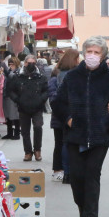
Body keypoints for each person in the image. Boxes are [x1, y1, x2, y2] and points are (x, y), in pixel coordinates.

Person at [54, 36, 109, 217]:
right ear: (83, 53)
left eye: (97, 53)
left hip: (99, 137)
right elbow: (57, 102)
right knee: (77, 177)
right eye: (90, 52)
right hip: (75, 136)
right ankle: (82, 207)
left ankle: (90, 216)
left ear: (103, 56)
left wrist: (107, 122)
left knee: (92, 174)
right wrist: (69, 119)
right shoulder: (71, 77)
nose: (93, 56)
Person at [48, 48, 79, 184]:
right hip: (70, 115)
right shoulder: (73, 75)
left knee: (59, 143)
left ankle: (59, 171)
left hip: (57, 115)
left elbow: (53, 97)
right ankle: (68, 172)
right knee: (68, 144)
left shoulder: (56, 74)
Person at [9, 55, 48, 161]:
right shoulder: (18, 76)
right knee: (25, 131)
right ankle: (28, 152)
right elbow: (11, 90)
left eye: (33, 63)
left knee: (38, 127)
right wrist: (18, 100)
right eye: (29, 63)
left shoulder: (41, 76)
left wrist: (41, 99)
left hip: (37, 107)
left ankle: (37, 150)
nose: (31, 65)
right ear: (25, 63)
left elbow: (46, 90)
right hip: (23, 107)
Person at [1, 56, 21, 140]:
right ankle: (9, 133)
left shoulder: (19, 72)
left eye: (12, 64)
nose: (10, 66)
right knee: (8, 115)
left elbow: (15, 80)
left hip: (14, 96)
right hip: (7, 95)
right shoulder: (9, 71)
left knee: (15, 115)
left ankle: (16, 133)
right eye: (9, 64)